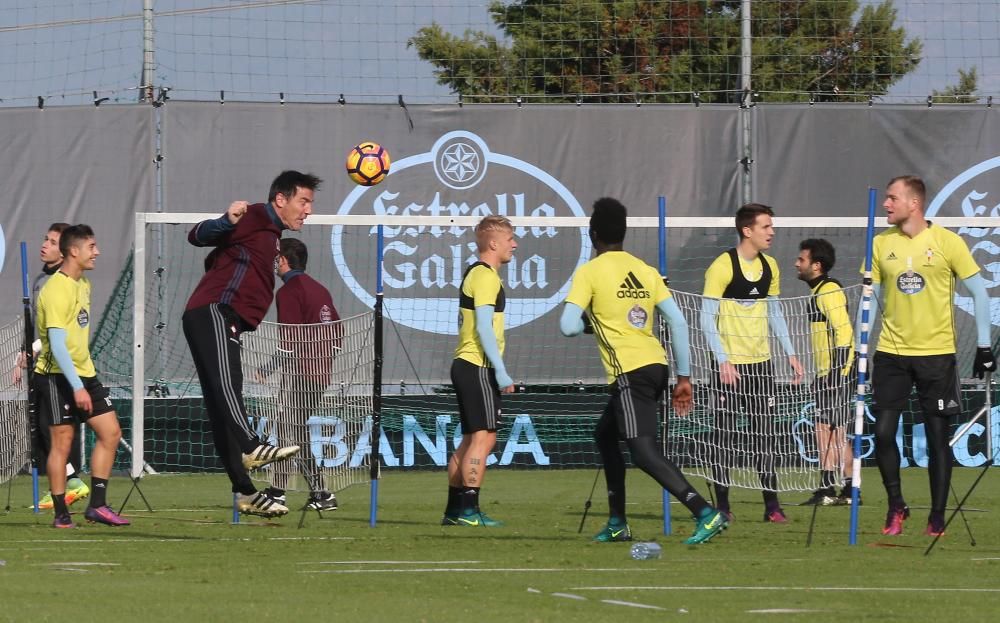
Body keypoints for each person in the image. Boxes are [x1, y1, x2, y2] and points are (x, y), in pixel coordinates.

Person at [560, 197, 729, 545]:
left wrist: (589, 325)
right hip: (656, 366)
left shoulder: (589, 272)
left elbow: (567, 326)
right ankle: (618, 522)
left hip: (630, 373)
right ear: (624, 233)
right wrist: (684, 378)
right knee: (605, 435)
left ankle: (704, 512)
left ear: (593, 235)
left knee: (643, 450)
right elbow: (678, 323)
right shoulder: (645, 269)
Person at [183, 170, 322, 518]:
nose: (308, 210)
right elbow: (197, 235)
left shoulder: (271, 234)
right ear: (281, 199)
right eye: (303, 201)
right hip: (214, 311)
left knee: (220, 407)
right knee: (228, 387)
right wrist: (225, 220)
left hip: (226, 319)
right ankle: (252, 445)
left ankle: (245, 492)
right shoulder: (258, 214)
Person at [864, 175, 995, 537]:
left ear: (913, 204)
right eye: (886, 198)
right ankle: (896, 505)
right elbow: (869, 298)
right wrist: (858, 345)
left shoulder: (947, 242)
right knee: (884, 432)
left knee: (939, 440)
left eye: (893, 198)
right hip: (890, 353)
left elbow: (980, 293)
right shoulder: (880, 244)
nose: (887, 205)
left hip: (936, 356)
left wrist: (984, 345)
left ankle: (937, 516)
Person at [700, 203, 804, 523]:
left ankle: (772, 507)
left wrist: (791, 354)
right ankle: (722, 506)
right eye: (766, 227)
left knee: (764, 436)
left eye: (772, 226)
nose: (772, 232)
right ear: (748, 231)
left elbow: (774, 312)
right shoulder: (722, 267)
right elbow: (705, 318)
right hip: (730, 368)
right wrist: (722, 361)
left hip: (762, 366)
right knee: (725, 437)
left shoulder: (771, 266)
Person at [33, 225, 128, 528]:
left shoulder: (83, 284)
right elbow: (58, 345)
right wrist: (76, 387)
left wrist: (84, 380)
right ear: (74, 251)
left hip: (84, 373)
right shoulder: (55, 289)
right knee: (63, 443)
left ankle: (97, 505)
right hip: (56, 376)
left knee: (111, 432)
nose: (97, 252)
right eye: (92, 246)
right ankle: (61, 513)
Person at [440, 215, 517, 527]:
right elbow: (484, 327)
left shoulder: (479, 274)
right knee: (484, 439)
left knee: (471, 439)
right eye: (511, 238)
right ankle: (470, 511)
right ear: (494, 243)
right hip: (477, 365)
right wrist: (500, 371)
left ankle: (453, 511)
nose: (515, 244)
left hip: (466, 364)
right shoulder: (485, 276)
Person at [12, 223, 91, 510]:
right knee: (43, 427)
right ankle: (63, 485)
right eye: (44, 239)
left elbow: (59, 332)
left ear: (67, 251)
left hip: (59, 366)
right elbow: (35, 326)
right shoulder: (39, 281)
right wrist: (24, 351)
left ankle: (73, 481)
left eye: (52, 241)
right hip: (40, 363)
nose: (44, 245)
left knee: (55, 428)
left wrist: (34, 350)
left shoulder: (64, 283)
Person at [259, 238, 341, 512]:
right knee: (296, 432)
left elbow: (288, 340)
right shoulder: (319, 288)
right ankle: (320, 494)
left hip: (302, 374)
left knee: (287, 430)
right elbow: (338, 333)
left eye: (275, 257)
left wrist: (268, 368)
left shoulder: (289, 291)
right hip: (319, 374)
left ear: (283, 260)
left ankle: (278, 493)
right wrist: (324, 358)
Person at [795, 238, 856, 506]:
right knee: (837, 431)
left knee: (824, 428)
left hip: (835, 372)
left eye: (802, 260)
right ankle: (852, 488)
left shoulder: (828, 290)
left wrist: (836, 371)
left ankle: (827, 488)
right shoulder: (818, 290)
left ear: (816, 265)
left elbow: (844, 332)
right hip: (832, 372)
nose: (797, 264)